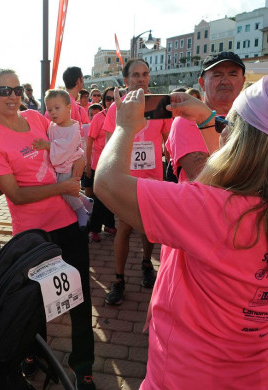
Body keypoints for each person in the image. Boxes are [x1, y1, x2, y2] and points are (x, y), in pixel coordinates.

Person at [95, 76, 268, 389]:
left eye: (227, 124)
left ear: (244, 141)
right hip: (265, 376)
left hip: (189, 376)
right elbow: (233, 173)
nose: (223, 130)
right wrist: (206, 119)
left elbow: (107, 183)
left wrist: (124, 126)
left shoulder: (212, 210)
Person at [0, 68, 95, 389]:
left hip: (68, 222)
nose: (12, 96)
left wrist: (79, 162)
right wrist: (64, 188)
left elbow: (70, 142)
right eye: (4, 91)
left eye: (16, 89)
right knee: (36, 302)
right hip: (32, 234)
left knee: (80, 294)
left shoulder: (35, 117)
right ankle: (34, 353)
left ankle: (83, 364)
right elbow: (14, 194)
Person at [102, 59, 171, 305]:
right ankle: (119, 280)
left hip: (152, 179)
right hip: (125, 178)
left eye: (145, 74)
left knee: (149, 229)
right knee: (124, 227)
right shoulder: (117, 107)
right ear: (126, 80)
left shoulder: (159, 106)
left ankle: (146, 265)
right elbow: (110, 144)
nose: (140, 78)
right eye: (135, 75)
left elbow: (167, 139)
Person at [166, 51, 245, 182]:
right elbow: (206, 179)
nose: (225, 81)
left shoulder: (253, 119)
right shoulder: (187, 119)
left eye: (233, 74)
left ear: (243, 81)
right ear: (202, 83)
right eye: (217, 75)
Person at [32, 89, 94, 229]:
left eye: (57, 108)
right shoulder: (53, 126)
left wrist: (47, 145)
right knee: (65, 186)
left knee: (63, 186)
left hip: (68, 164)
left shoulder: (72, 128)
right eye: (49, 109)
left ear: (68, 107)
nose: (53, 112)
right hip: (62, 164)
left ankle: (81, 210)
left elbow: (65, 147)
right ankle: (85, 200)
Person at [85, 87, 117, 242]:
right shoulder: (99, 117)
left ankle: (109, 224)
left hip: (117, 164)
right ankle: (94, 229)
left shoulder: (124, 115)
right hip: (99, 164)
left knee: (112, 196)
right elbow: (89, 140)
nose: (111, 101)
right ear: (104, 101)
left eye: (114, 98)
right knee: (99, 198)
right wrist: (88, 165)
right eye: (108, 99)